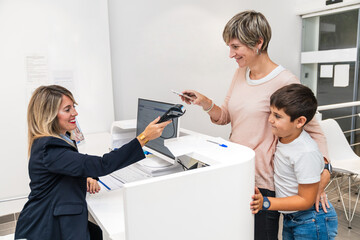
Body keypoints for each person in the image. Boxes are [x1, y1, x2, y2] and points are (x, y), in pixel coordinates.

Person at [180, 10, 331, 239]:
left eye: (236, 47)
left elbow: (313, 130)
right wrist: (205, 103)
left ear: (258, 43)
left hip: (263, 182)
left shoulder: (285, 81)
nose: (231, 54)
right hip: (235, 170)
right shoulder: (241, 72)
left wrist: (323, 174)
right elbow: (225, 117)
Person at [15, 85, 171, 240]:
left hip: (55, 216)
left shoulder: (58, 139)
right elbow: (101, 165)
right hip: (46, 226)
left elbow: (71, 167)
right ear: (49, 115)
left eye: (73, 107)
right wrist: (144, 137)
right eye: (67, 109)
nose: (75, 113)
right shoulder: (50, 148)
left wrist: (86, 177)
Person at [250, 84, 338, 239]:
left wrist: (266, 202)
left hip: (311, 220)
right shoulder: (285, 137)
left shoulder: (304, 151)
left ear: (299, 122)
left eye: (277, 116)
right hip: (292, 219)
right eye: (271, 113)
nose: (270, 120)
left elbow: (305, 200)